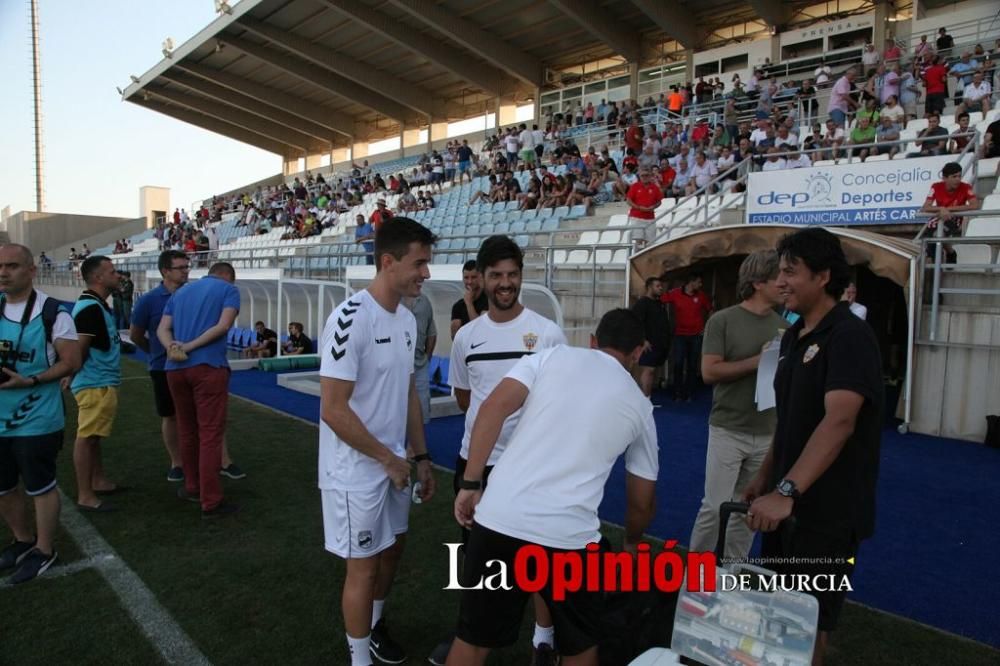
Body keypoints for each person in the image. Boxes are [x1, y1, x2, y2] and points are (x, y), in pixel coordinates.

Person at [447, 309, 659, 666]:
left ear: (593, 340)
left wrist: (470, 482)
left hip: (499, 517)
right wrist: (633, 542)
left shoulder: (550, 356)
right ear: (638, 352)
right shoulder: (641, 407)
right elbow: (641, 499)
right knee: (580, 645)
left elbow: (492, 408)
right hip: (569, 537)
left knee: (471, 640)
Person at [744, 227, 884, 666]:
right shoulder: (793, 335)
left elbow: (839, 421)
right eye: (778, 272)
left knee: (809, 621)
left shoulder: (849, 335)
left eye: (791, 272)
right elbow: (790, 420)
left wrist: (785, 492)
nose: (781, 281)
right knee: (777, 613)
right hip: (786, 503)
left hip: (828, 512)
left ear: (823, 276)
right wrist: (765, 478)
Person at [435, 236, 566, 665]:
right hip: (478, 464)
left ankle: (543, 641)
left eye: (512, 274)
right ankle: (469, 638)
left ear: (521, 277)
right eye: (497, 276)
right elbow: (465, 399)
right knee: (474, 561)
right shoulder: (466, 337)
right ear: (482, 281)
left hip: (531, 466)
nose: (505, 283)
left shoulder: (548, 333)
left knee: (540, 557)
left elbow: (557, 402)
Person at [319, 218, 436, 666]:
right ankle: (359, 658)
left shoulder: (407, 319)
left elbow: (407, 393)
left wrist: (421, 456)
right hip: (356, 470)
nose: (425, 272)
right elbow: (333, 409)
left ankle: (376, 624)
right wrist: (388, 458)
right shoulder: (349, 318)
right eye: (419, 263)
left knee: (394, 549)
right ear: (388, 262)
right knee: (363, 567)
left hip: (396, 465)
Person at [688, 251, 786, 559]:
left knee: (748, 509)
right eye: (778, 278)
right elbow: (710, 372)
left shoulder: (786, 326)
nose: (785, 284)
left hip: (767, 430)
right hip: (728, 428)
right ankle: (697, 576)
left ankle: (731, 574)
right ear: (758, 283)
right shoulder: (723, 320)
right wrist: (757, 362)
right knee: (714, 506)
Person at [0, 244, 80, 584]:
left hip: (38, 416)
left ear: (32, 271)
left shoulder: (53, 313)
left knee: (39, 485)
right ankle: (22, 540)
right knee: (3, 487)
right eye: (0, 266)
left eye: (13, 266)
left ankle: (44, 550)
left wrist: (30, 380)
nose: (4, 272)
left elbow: (71, 362)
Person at [131, 251, 244, 483]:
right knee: (176, 418)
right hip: (170, 366)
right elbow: (136, 334)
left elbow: (166, 328)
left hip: (183, 365)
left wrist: (179, 348)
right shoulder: (150, 300)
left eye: (187, 266)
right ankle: (180, 465)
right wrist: (162, 351)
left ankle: (216, 465)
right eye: (180, 267)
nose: (186, 271)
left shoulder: (188, 293)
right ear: (165, 271)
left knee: (206, 421)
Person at [157, 262, 241, 519]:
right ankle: (211, 500)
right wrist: (190, 346)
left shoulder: (180, 292)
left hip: (174, 368)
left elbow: (162, 328)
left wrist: (173, 347)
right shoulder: (228, 290)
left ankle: (192, 486)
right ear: (228, 276)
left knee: (187, 429)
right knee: (210, 433)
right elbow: (223, 326)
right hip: (207, 367)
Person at [68, 256, 123, 512]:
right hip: (94, 383)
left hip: (99, 381)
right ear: (98, 278)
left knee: (94, 437)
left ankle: (98, 481)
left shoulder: (97, 305)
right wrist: (70, 374)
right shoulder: (90, 308)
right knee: (87, 438)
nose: (118, 275)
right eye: (112, 272)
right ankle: (85, 494)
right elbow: (79, 348)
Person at [662, 273, 713, 401]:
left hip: (696, 335)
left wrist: (706, 328)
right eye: (699, 282)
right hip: (680, 335)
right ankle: (677, 392)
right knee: (678, 363)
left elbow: (711, 310)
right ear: (692, 282)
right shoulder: (675, 293)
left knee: (692, 364)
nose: (700, 285)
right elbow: (660, 299)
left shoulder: (701, 296)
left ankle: (689, 392)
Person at [920, 161, 979, 263]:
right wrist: (941, 209)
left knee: (937, 235)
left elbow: (975, 205)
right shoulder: (936, 186)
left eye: (959, 176)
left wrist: (948, 209)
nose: (958, 179)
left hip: (955, 218)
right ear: (945, 178)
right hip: (938, 217)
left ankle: (941, 261)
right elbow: (925, 207)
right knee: (930, 236)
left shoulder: (966, 187)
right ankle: (949, 254)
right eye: (954, 176)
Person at [630, 276, 671, 397]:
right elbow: (636, 322)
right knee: (649, 370)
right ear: (649, 287)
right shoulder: (642, 303)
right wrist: (643, 340)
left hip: (660, 342)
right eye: (657, 286)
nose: (660, 288)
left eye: (661, 286)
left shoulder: (659, 303)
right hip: (649, 344)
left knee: (653, 371)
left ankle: (648, 396)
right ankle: (646, 399)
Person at [403, 292, 436, 425]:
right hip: (396, 365)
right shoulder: (392, 298)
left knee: (422, 405)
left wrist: (427, 358)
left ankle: (414, 445)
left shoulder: (425, 301)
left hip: (419, 364)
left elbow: (431, 332)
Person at [450, 260, 488, 339]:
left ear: (480, 277)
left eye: (473, 277)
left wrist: (469, 304)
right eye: (466, 278)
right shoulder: (458, 306)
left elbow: (481, 330)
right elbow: (455, 338)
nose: (469, 281)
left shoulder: (489, 301)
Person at [626, 167, 664, 247]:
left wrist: (653, 207)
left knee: (650, 242)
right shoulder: (635, 186)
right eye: (642, 175)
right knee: (638, 240)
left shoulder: (654, 187)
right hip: (637, 217)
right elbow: (629, 200)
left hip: (650, 218)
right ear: (639, 176)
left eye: (646, 175)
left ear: (650, 176)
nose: (644, 177)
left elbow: (659, 201)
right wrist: (639, 208)